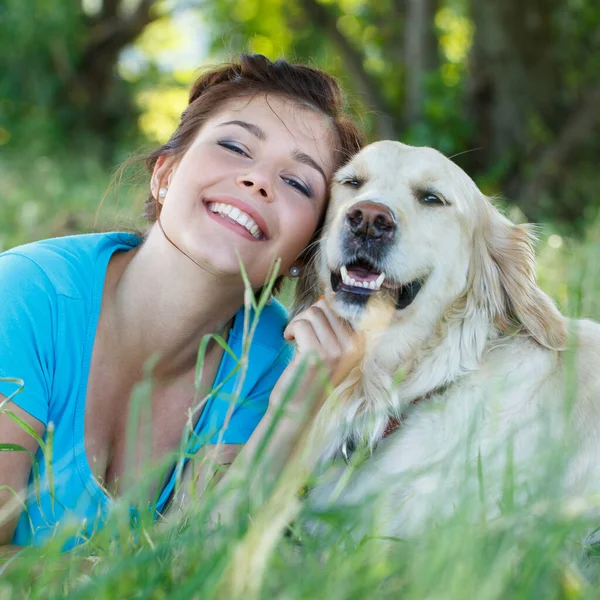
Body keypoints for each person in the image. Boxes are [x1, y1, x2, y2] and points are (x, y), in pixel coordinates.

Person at [0, 54, 364, 558]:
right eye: (236, 147)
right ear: (165, 174)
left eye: (298, 183)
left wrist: (298, 400)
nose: (259, 181)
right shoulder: (25, 296)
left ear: (306, 254)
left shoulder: (271, 367)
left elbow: (198, 567)